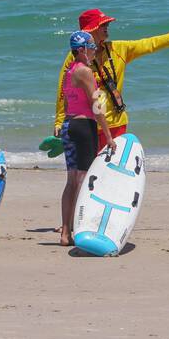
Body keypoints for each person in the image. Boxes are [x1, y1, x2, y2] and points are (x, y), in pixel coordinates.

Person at [53, 9, 169, 151]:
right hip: (89, 125)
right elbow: (63, 91)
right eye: (103, 25)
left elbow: (148, 44)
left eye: (106, 24)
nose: (107, 27)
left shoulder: (118, 49)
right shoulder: (75, 57)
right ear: (91, 29)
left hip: (117, 124)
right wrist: (60, 121)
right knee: (89, 169)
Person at [58, 32, 116, 247]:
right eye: (91, 46)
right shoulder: (85, 71)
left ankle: (66, 233)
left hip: (69, 125)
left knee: (72, 181)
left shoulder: (69, 71)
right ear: (81, 49)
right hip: (84, 127)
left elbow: (66, 105)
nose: (94, 50)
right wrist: (108, 135)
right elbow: (96, 104)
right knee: (84, 182)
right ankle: (83, 231)